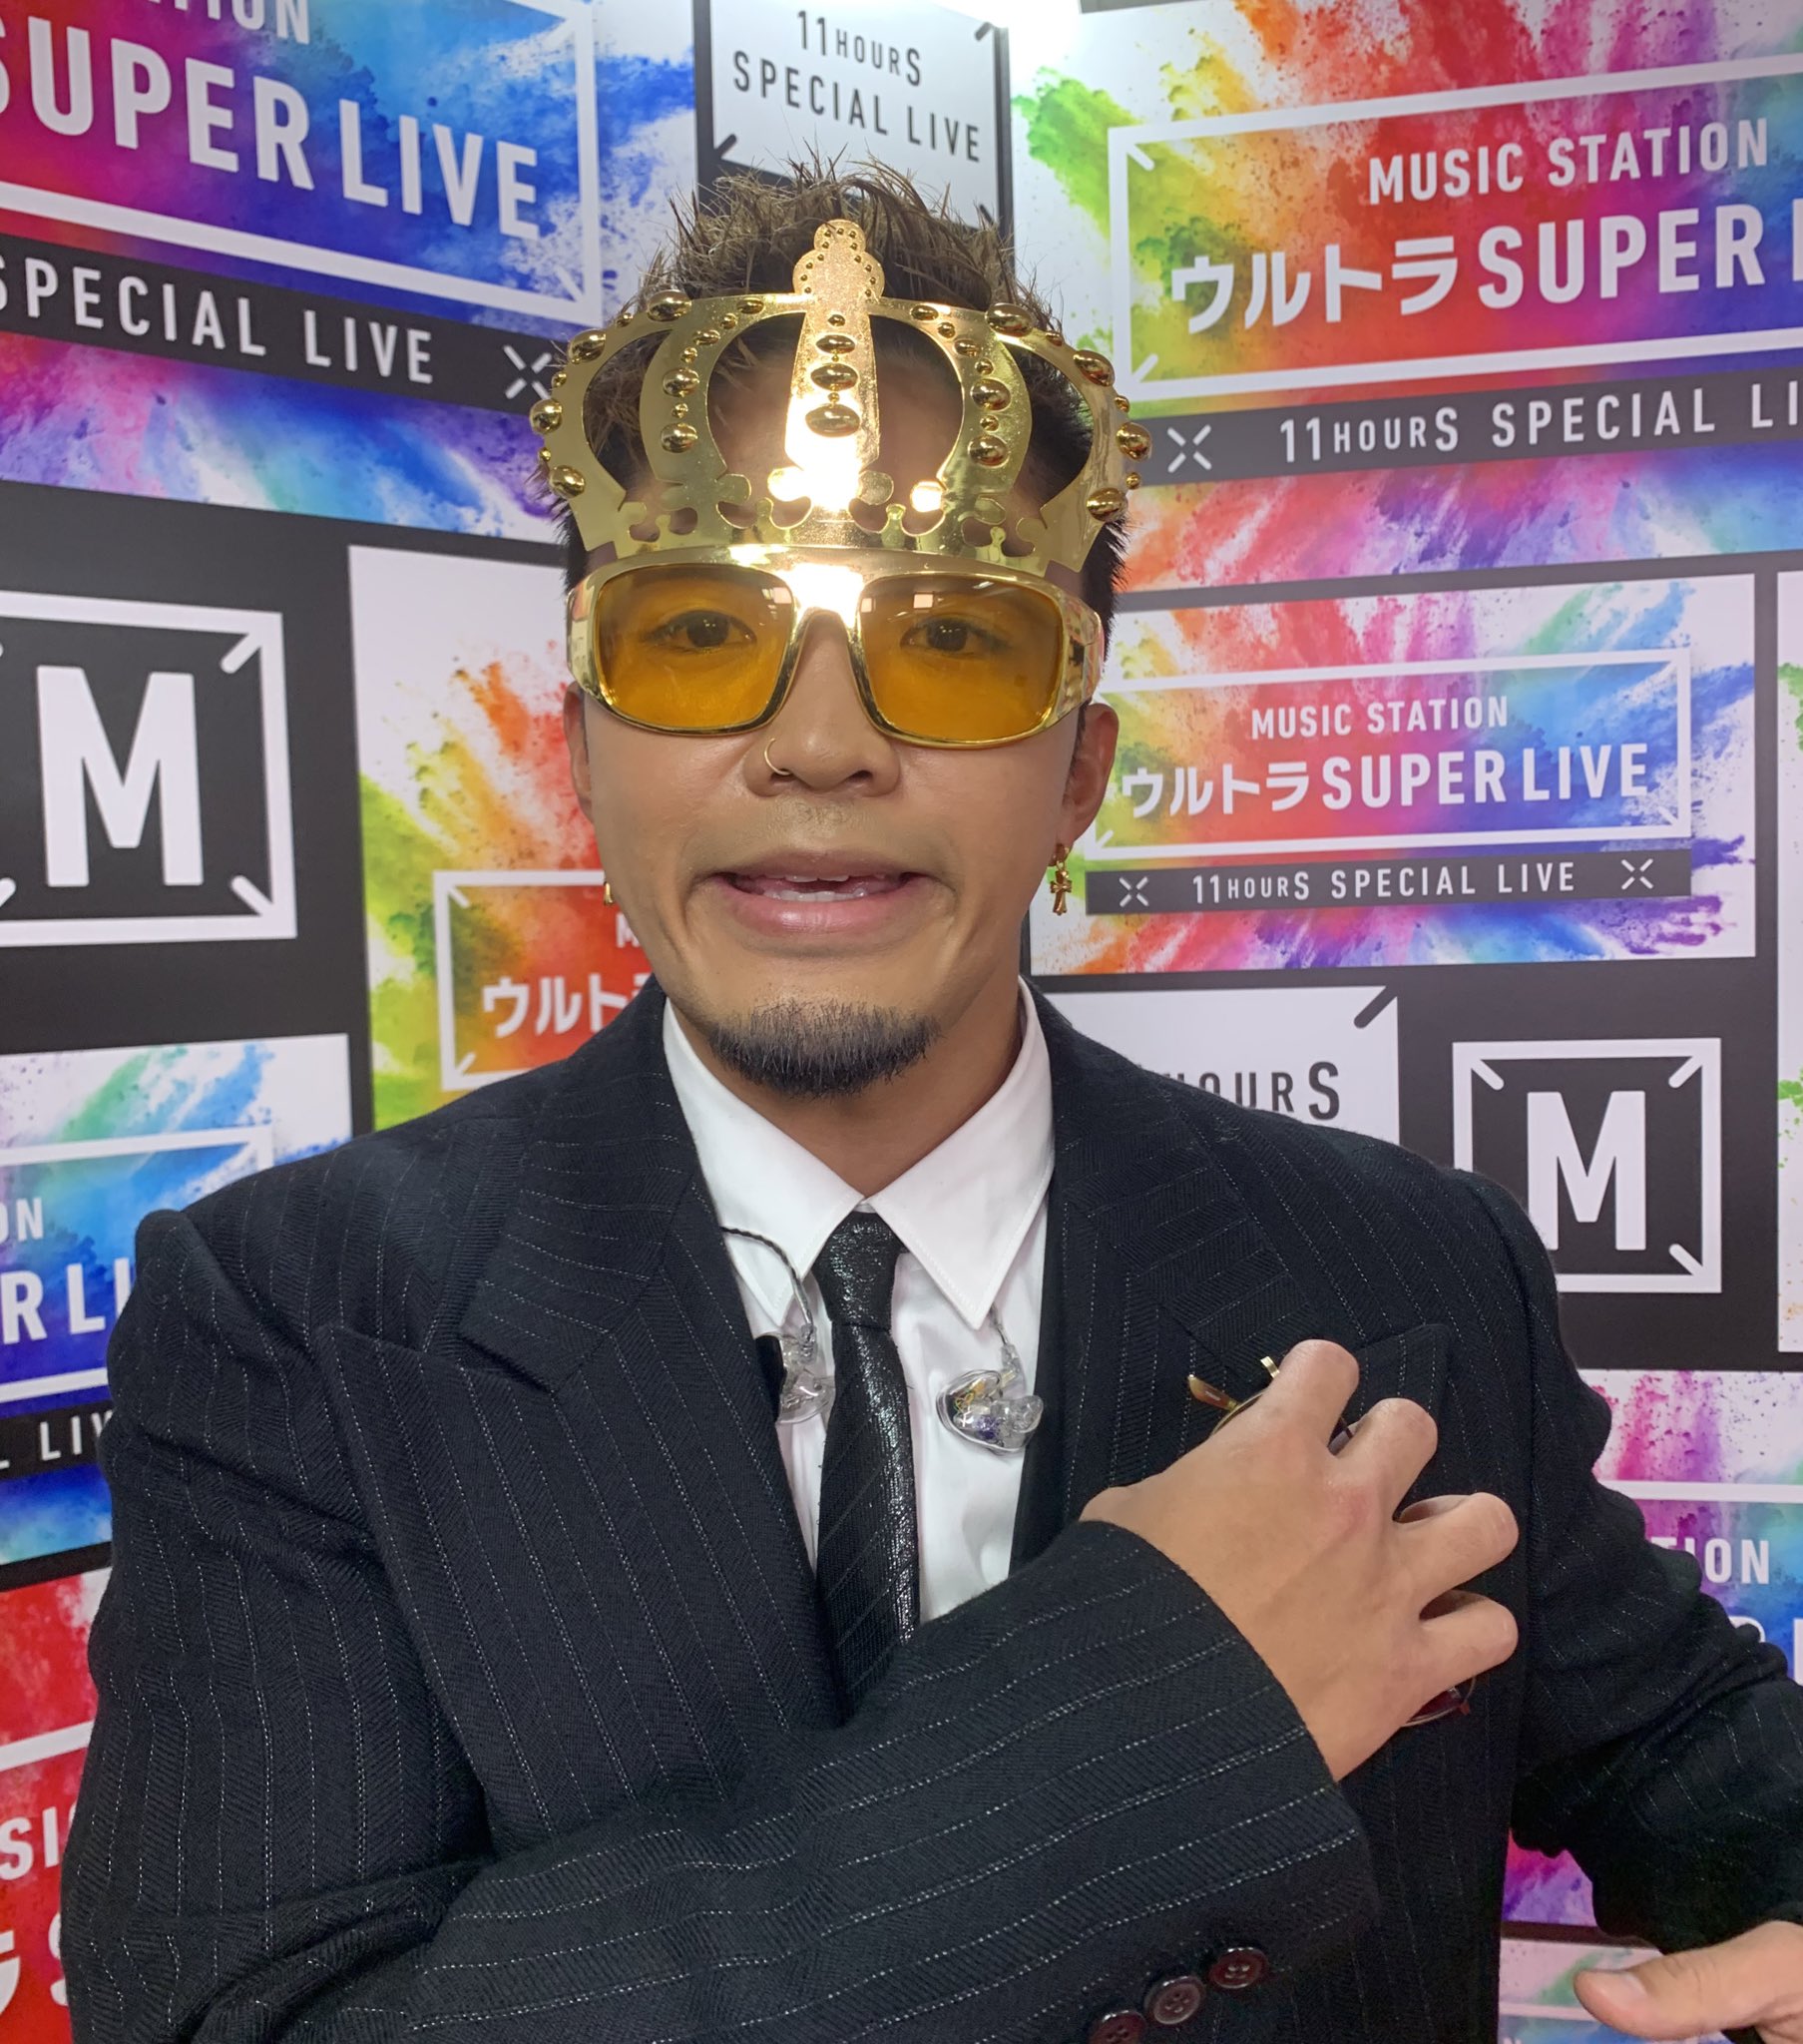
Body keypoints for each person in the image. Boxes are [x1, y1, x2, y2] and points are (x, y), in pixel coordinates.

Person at [64, 167, 1803, 2044]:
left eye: (954, 643)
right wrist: (1158, 1718)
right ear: (582, 752)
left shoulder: (1404, 1266)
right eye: (699, 638)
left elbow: (1689, 1750)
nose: (821, 745)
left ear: (1080, 774)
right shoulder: (298, 1322)